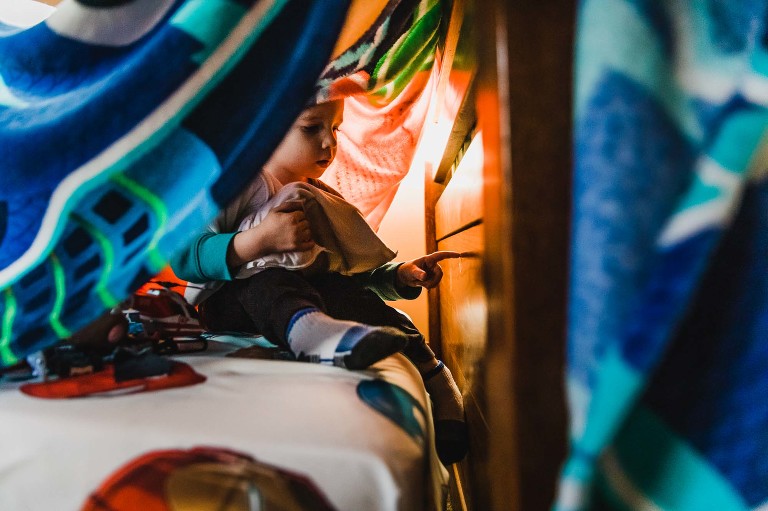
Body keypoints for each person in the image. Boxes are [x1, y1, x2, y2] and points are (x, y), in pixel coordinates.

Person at [172, 99, 467, 464]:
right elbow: (185, 257)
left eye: (336, 128)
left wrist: (401, 276)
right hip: (234, 306)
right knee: (269, 278)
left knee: (346, 294)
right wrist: (258, 241)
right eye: (312, 128)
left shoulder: (327, 200)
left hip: (310, 298)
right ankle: (312, 335)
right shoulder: (237, 184)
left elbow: (349, 273)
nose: (330, 142)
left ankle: (433, 374)